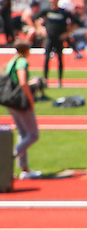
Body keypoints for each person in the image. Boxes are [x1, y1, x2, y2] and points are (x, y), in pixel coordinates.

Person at [4, 40, 42, 180]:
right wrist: (30, 99)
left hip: (11, 101)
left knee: (23, 134)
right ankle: (10, 156)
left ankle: (24, 169)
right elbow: (22, 82)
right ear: (27, 50)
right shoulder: (22, 62)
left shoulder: (11, 61)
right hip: (20, 102)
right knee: (33, 135)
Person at [33, 0, 82, 88]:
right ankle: (45, 80)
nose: (53, 1)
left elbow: (77, 22)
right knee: (46, 59)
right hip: (49, 38)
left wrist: (68, 33)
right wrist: (40, 28)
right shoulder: (47, 11)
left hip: (59, 38)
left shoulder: (63, 12)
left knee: (60, 59)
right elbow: (35, 18)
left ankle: (60, 81)